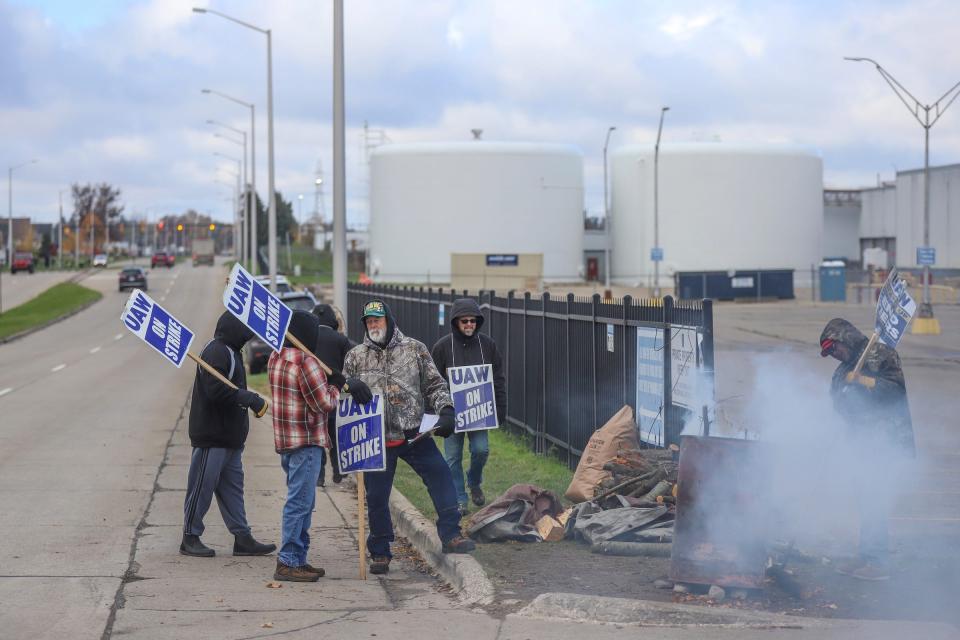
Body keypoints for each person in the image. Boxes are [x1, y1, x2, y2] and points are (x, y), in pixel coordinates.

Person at [344, 299, 476, 575]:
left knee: (441, 477)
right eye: (368, 321)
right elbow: (342, 398)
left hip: (414, 433)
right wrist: (348, 386)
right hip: (376, 439)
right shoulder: (356, 356)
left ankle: (451, 534)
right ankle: (380, 551)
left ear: (389, 321)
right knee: (377, 497)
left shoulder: (415, 349)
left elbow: (435, 385)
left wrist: (448, 410)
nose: (373, 325)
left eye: (377, 320)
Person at [819, 317, 915, 582]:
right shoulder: (843, 369)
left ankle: (878, 561)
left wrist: (864, 382)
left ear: (845, 339)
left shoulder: (882, 355)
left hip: (886, 441)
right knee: (865, 499)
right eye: (830, 353)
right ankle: (866, 556)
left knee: (874, 499)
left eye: (835, 349)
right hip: (861, 443)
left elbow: (896, 391)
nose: (834, 355)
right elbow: (837, 400)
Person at [181, 311, 276, 559]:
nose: (248, 334)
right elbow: (215, 390)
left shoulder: (232, 351)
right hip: (212, 437)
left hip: (231, 439)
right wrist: (248, 398)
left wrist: (247, 399)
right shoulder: (216, 351)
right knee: (201, 487)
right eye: (244, 327)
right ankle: (190, 536)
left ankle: (242, 538)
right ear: (233, 328)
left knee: (233, 490)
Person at [267, 311, 345, 582]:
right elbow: (323, 403)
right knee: (300, 503)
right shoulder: (306, 362)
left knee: (302, 501)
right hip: (307, 441)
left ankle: (299, 558)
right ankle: (288, 560)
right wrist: (335, 385)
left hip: (287, 441)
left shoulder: (276, 356)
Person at [431, 298, 506, 515]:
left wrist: (500, 408)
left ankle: (474, 481)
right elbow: (432, 381)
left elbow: (498, 378)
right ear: (456, 322)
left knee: (481, 450)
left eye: (473, 321)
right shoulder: (442, 347)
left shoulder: (488, 345)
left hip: (478, 411)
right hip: (452, 412)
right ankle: (460, 499)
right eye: (464, 321)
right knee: (452, 457)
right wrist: (434, 413)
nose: (469, 325)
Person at [311, 303, 359, 487]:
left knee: (317, 439)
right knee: (334, 437)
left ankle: (319, 476)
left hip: (314, 396)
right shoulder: (340, 340)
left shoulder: (308, 339)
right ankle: (338, 471)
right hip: (335, 395)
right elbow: (351, 365)